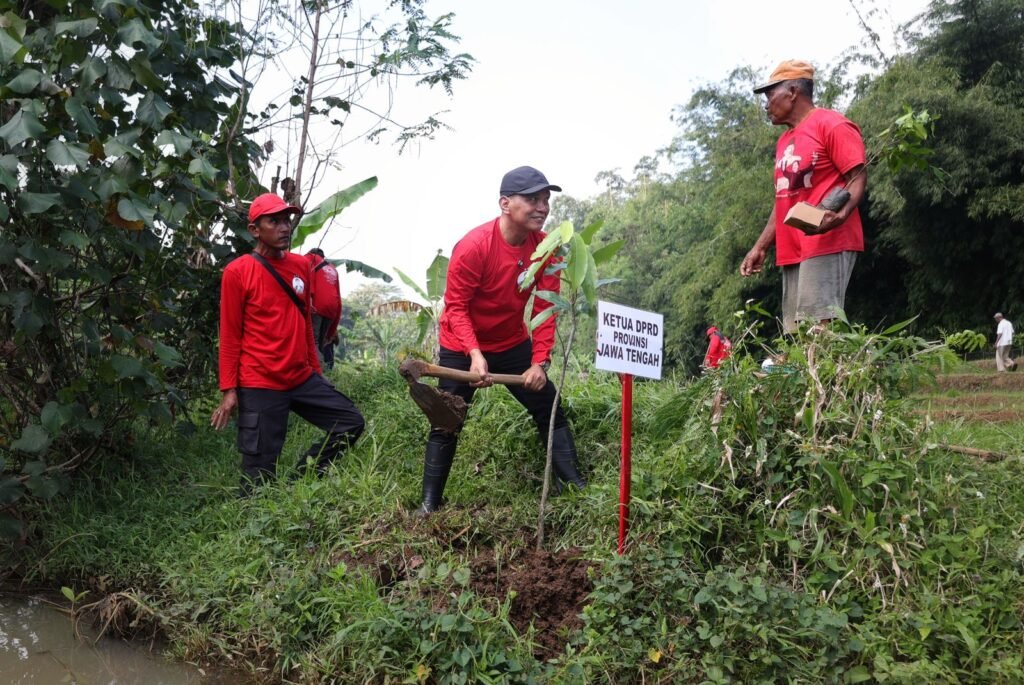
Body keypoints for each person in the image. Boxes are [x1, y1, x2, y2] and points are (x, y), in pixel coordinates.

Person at [418, 166, 587, 514]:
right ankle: (429, 504)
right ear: (505, 203)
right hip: (461, 345)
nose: (542, 207)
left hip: (510, 343)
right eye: (532, 199)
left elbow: (546, 308)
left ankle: (572, 486)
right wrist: (475, 355)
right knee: (446, 419)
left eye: (545, 200)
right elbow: (456, 309)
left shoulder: (545, 249)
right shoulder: (474, 246)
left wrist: (539, 362)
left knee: (549, 406)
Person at [210, 193, 365, 494]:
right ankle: (253, 529)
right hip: (259, 383)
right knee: (258, 479)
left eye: (286, 221)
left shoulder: (300, 266)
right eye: (275, 221)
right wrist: (229, 390)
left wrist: (316, 370)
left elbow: (305, 321)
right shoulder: (238, 271)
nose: (284, 228)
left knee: (350, 422)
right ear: (255, 229)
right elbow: (230, 335)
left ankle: (300, 482)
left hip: (300, 377)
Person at [740, 59, 867, 333]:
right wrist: (761, 246)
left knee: (818, 326)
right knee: (797, 333)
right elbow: (783, 198)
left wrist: (840, 214)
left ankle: (845, 373)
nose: (766, 104)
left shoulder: (831, 124)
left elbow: (856, 177)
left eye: (770, 94)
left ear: (793, 91)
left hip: (827, 239)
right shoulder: (785, 141)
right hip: (793, 247)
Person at [305, 247, 343, 371]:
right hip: (332, 309)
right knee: (320, 344)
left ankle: (317, 372)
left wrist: (309, 301)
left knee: (313, 341)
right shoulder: (332, 268)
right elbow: (338, 295)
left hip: (316, 306)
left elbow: (308, 281)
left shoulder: (310, 259)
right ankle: (321, 371)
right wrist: (333, 329)